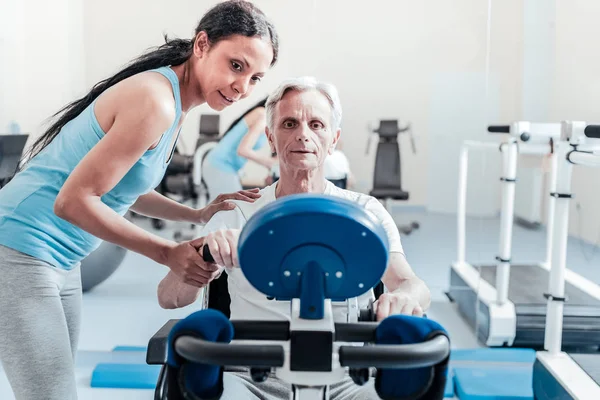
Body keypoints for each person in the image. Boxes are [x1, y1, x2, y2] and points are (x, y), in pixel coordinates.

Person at [0, 1, 279, 399]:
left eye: (255, 78)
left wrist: (196, 214)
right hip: (20, 249)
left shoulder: (177, 102)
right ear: (202, 45)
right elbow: (73, 201)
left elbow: (126, 187)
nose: (243, 86)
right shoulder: (156, 101)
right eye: (236, 65)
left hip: (63, 260)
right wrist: (167, 253)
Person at [157, 76, 431, 399]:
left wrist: (405, 298)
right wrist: (205, 256)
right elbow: (169, 297)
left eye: (317, 125)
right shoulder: (237, 211)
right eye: (290, 123)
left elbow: (413, 285)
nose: (303, 134)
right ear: (271, 139)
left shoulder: (365, 212)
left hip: (350, 377)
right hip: (251, 376)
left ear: (333, 140)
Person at [202, 97, 277, 201]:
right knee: (231, 208)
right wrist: (271, 163)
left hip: (224, 166)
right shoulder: (263, 115)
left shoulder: (267, 120)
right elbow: (243, 150)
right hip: (220, 165)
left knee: (226, 209)